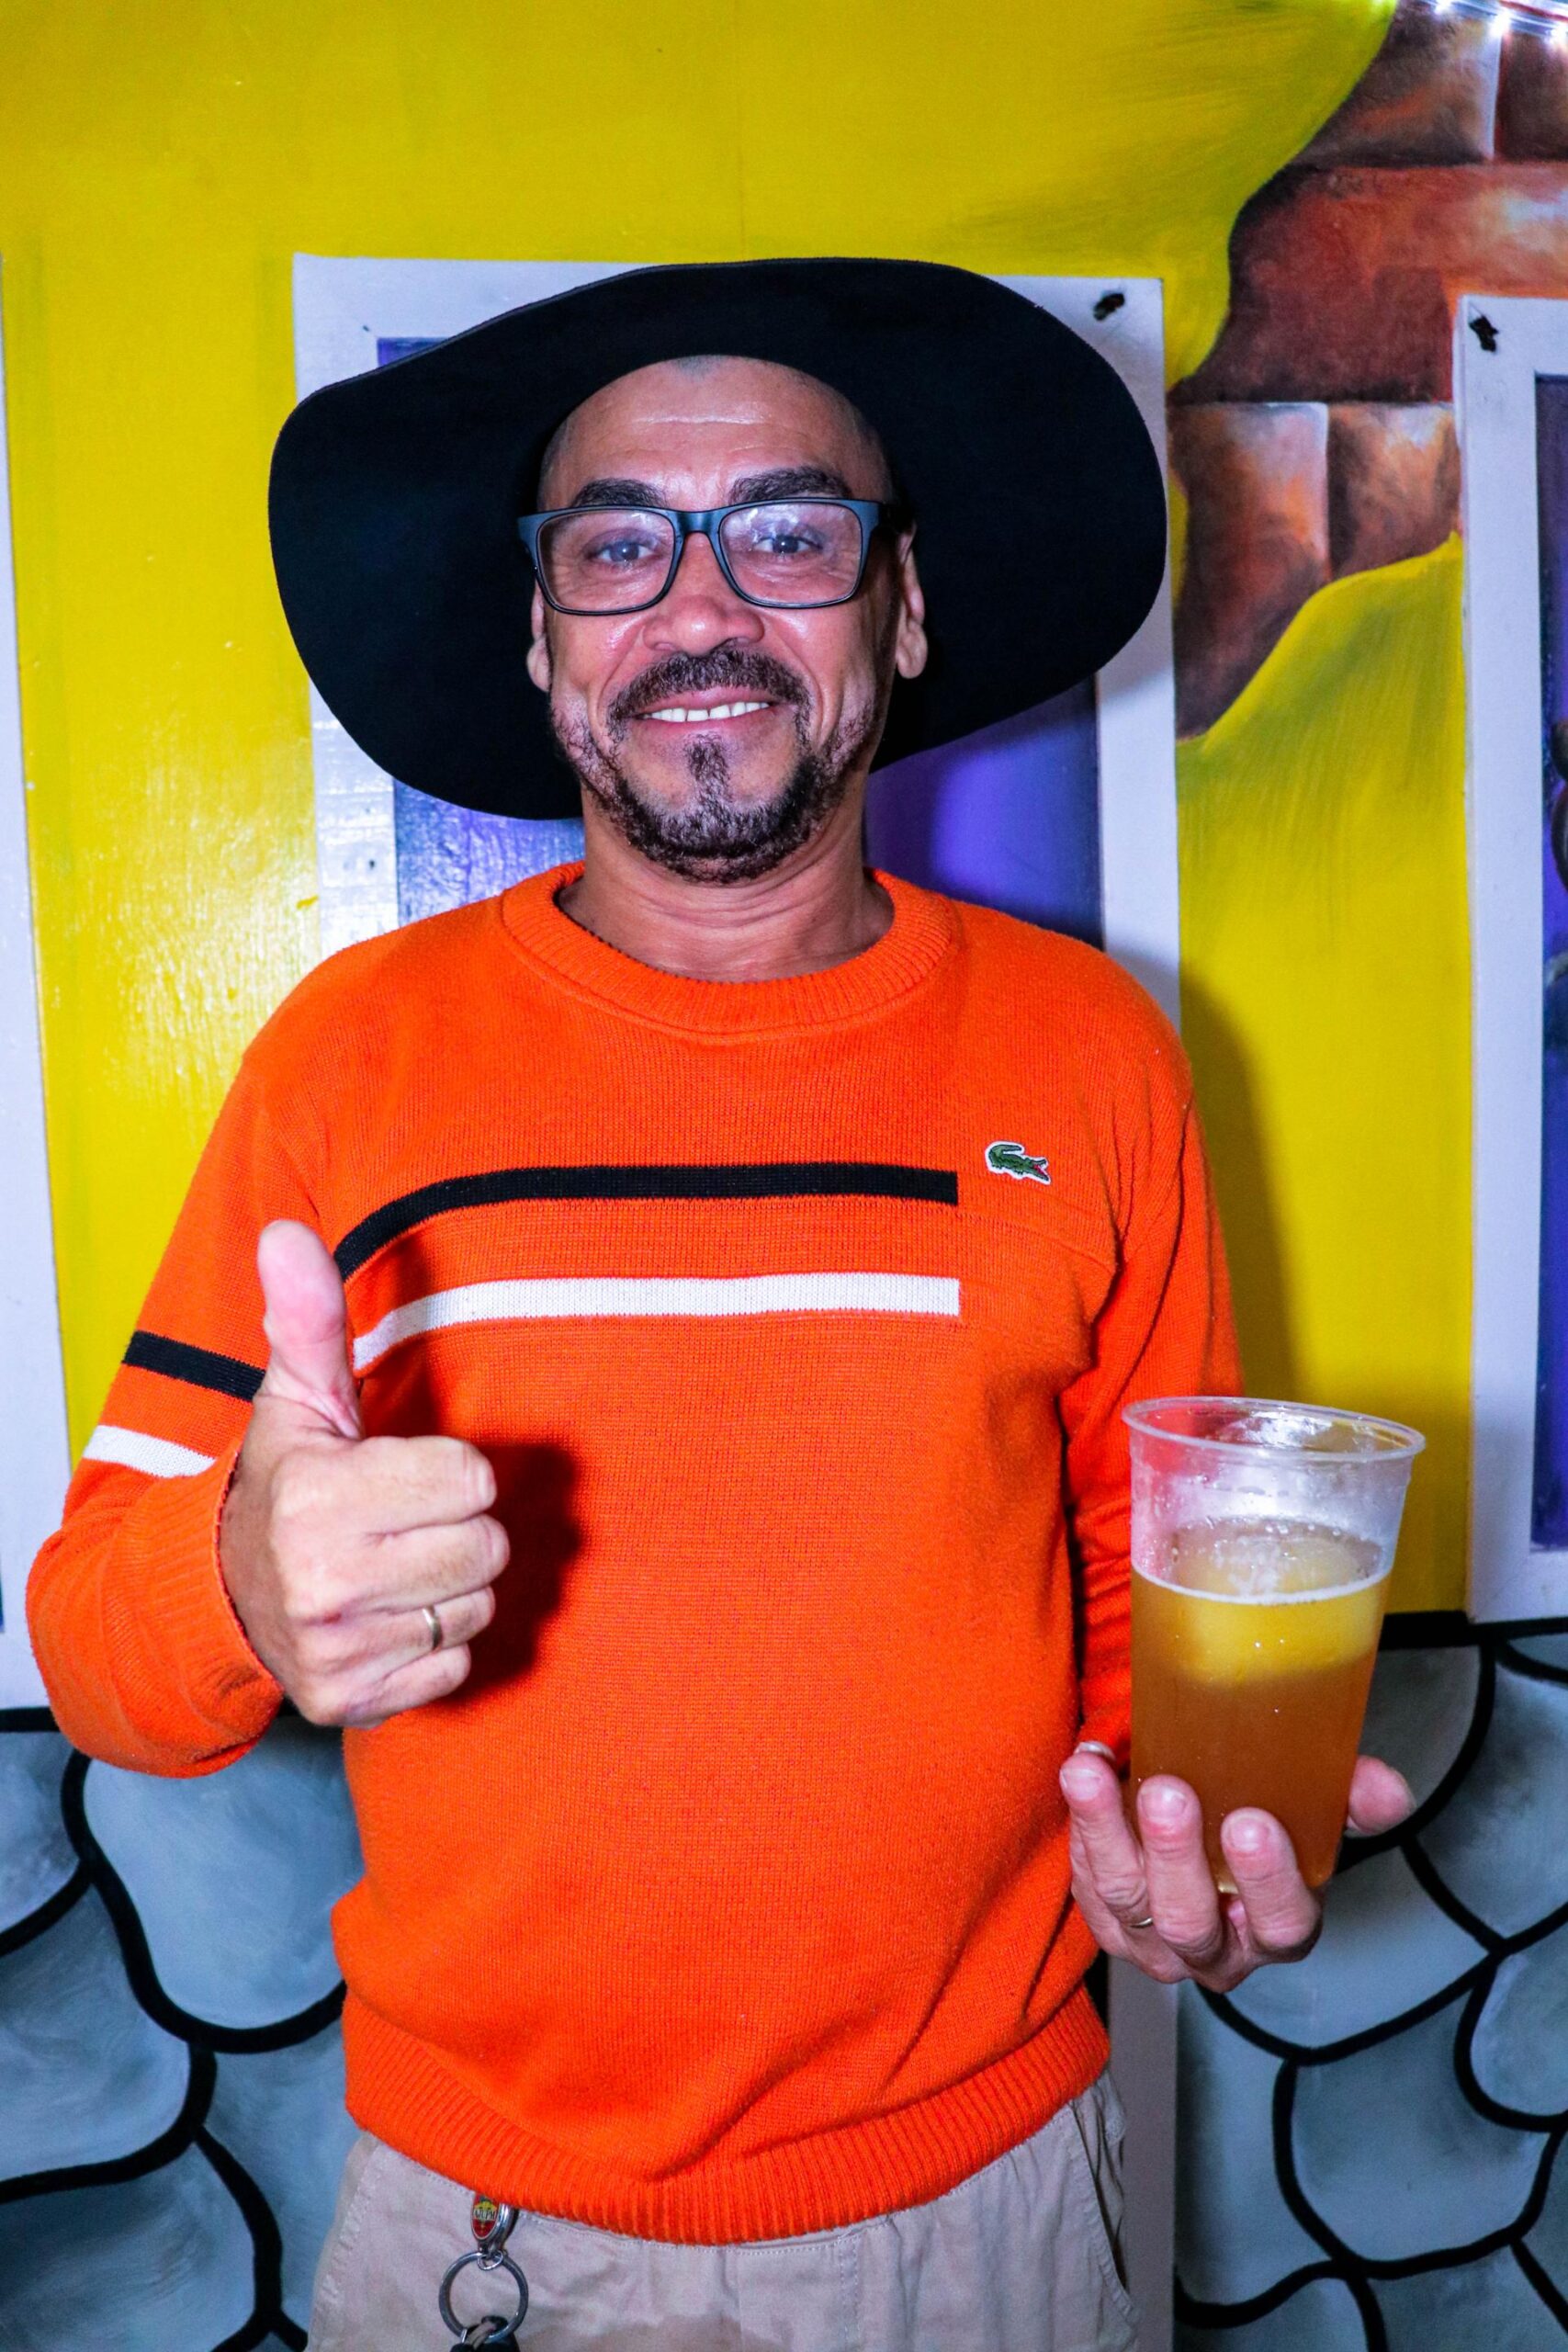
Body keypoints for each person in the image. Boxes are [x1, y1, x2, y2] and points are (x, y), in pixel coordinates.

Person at [28, 260, 1412, 2351]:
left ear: (902, 609)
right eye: (616, 548)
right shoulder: (349, 1056)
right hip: (484, 2235)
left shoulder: (1089, 1051)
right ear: (540, 636)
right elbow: (96, 1646)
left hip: (989, 2221)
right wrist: (235, 1573)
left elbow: (1153, 1569)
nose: (700, 608)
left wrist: (1175, 1845)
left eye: (788, 531)